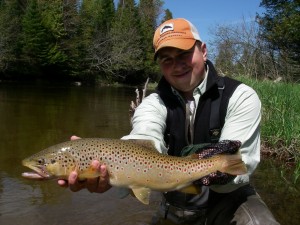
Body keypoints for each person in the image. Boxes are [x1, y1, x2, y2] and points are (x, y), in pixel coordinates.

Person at [58, 18, 280, 225]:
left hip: (229, 201)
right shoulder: (153, 103)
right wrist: (112, 169)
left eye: (183, 54)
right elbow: (143, 135)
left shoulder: (240, 96)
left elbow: (241, 163)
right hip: (176, 204)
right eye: (167, 59)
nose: (177, 65)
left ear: (203, 51)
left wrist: (218, 168)